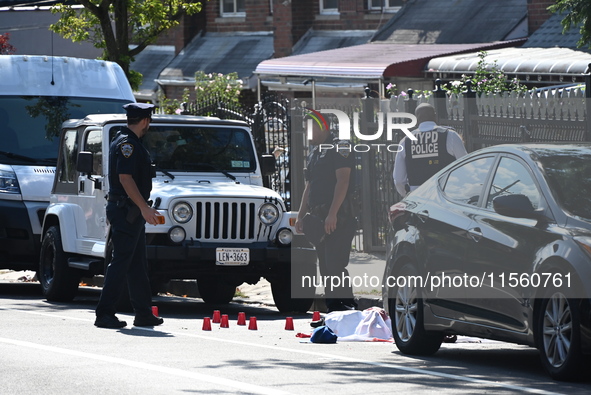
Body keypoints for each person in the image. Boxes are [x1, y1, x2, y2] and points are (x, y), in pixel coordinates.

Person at [94, 103, 164, 329]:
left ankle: (143, 313)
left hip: (129, 212)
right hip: (127, 211)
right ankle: (104, 313)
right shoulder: (128, 145)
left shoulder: (125, 140)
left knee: (136, 264)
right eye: (149, 121)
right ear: (145, 121)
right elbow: (125, 178)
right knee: (121, 262)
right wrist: (144, 207)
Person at [295, 121, 358, 313]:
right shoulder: (314, 152)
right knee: (325, 267)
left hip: (339, 218)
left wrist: (333, 213)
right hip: (319, 219)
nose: (307, 132)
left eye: (310, 128)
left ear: (323, 128)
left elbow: (343, 180)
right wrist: (300, 215)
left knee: (335, 265)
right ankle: (333, 312)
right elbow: (309, 186)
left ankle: (347, 309)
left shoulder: (340, 146)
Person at [393, 102, 467, 197]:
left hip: (418, 197)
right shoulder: (450, 135)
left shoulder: (405, 141)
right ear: (435, 116)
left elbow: (399, 180)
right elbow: (465, 166)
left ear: (417, 120)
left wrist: (408, 195)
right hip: (446, 195)